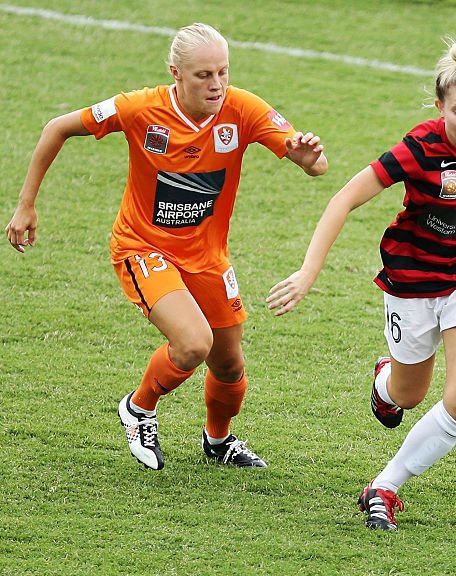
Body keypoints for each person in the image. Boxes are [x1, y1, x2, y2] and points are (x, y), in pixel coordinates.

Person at [5, 23, 328, 471]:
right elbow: (56, 128)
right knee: (194, 343)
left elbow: (315, 165)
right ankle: (138, 408)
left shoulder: (243, 109)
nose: (216, 85)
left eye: (223, 72)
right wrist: (26, 206)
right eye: (203, 75)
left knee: (231, 368)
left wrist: (309, 156)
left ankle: (218, 443)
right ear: (176, 73)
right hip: (143, 248)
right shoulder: (139, 109)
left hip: (208, 257)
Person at [267, 36, 456, 531]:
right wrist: (308, 272)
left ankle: (385, 486)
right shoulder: (418, 149)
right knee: (408, 396)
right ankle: (384, 383)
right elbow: (342, 201)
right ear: (440, 106)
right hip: (412, 279)